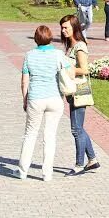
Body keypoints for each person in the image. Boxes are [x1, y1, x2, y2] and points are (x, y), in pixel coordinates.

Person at [18, 25, 65, 182]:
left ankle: (23, 171)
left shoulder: (29, 55)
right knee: (50, 136)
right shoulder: (58, 54)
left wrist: (25, 99)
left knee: (30, 134)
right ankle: (47, 173)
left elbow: (25, 82)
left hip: (36, 98)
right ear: (50, 37)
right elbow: (68, 72)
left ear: (36, 39)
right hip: (55, 98)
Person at [60, 15, 99, 175]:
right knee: (79, 128)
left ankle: (79, 164)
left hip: (79, 90)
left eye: (66, 28)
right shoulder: (71, 45)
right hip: (72, 90)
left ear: (74, 28)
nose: (63, 31)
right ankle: (92, 159)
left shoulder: (80, 46)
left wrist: (66, 69)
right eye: (62, 28)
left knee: (76, 129)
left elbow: (84, 69)